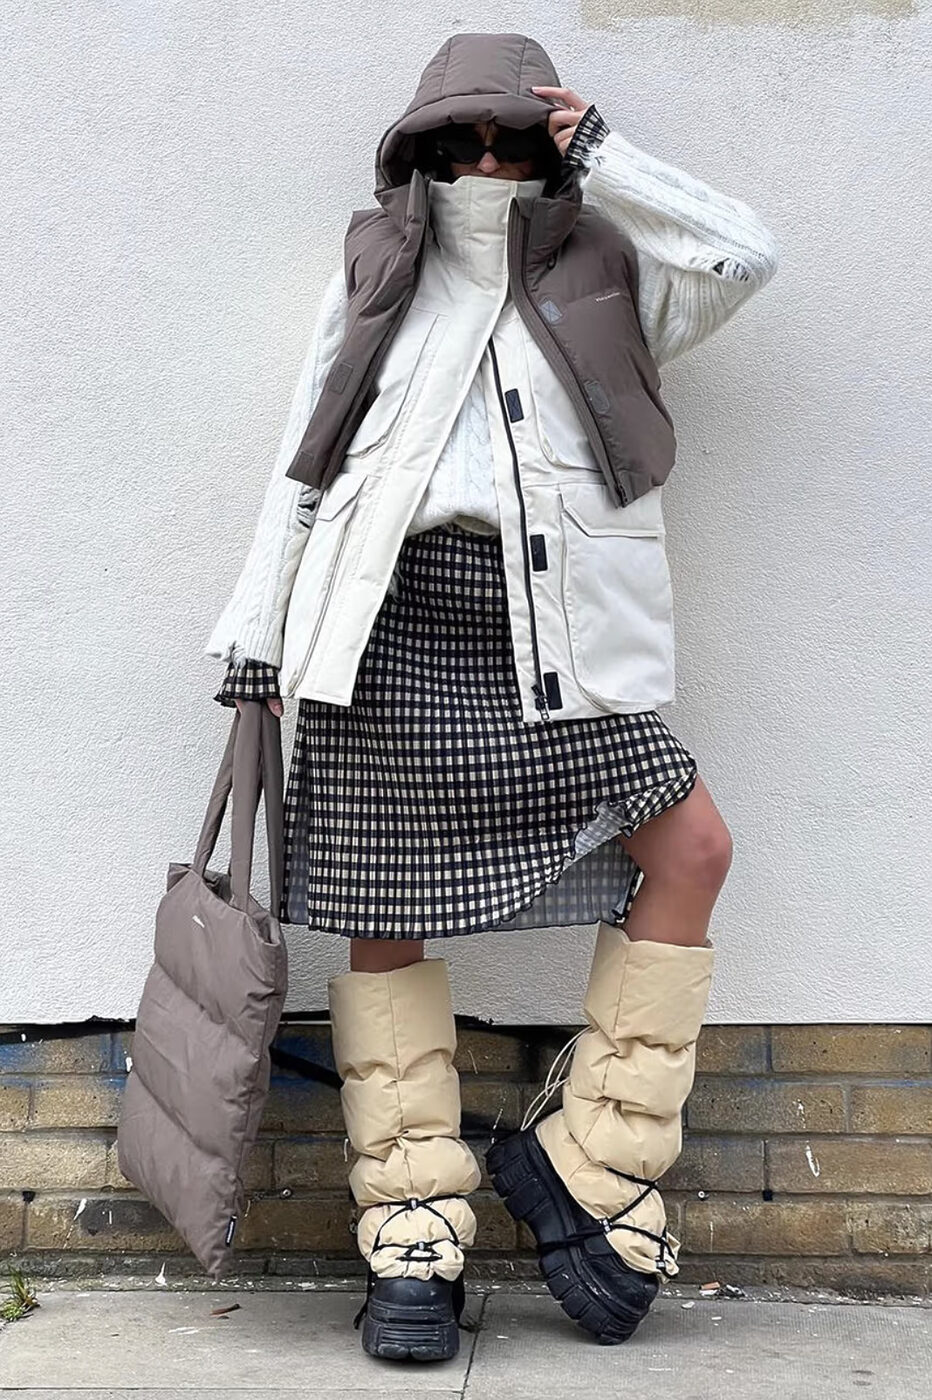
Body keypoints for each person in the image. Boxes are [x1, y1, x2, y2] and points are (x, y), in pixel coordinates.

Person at [205, 32, 778, 1363]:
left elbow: (744, 256)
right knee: (387, 915)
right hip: (384, 622)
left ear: (547, 151)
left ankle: (592, 1167)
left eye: (512, 139)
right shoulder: (379, 269)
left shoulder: (610, 268)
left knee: (692, 848)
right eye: (459, 139)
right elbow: (304, 458)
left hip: (557, 635)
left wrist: (605, 155)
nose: (485, 162)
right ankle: (411, 1225)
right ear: (417, 152)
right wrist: (258, 639)